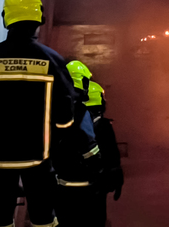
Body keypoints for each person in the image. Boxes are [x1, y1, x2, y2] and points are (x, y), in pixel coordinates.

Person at [0, 0, 77, 227]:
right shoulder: (51, 60)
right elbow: (66, 116)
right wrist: (53, 140)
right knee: (44, 219)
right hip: (38, 158)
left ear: (6, 18)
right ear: (39, 19)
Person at [54, 61, 104, 227]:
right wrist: (99, 168)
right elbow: (90, 147)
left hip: (60, 185)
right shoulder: (80, 110)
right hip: (83, 186)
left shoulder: (53, 107)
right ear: (82, 82)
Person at [84, 80, 124, 223]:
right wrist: (117, 176)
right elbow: (111, 155)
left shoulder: (66, 123)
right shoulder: (102, 126)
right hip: (97, 185)